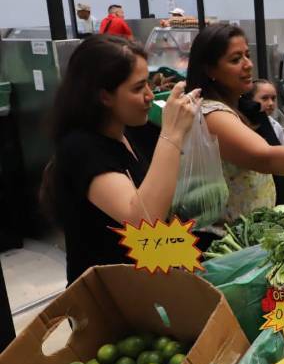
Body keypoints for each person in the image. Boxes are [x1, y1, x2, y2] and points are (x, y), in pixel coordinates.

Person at [40, 35, 198, 283]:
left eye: (149, 84)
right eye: (137, 88)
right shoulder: (81, 149)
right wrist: (173, 133)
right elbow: (143, 221)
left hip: (146, 284)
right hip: (107, 302)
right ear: (104, 96)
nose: (149, 95)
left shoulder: (134, 130)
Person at [187, 23, 284, 225]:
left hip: (248, 233)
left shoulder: (237, 107)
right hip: (227, 241)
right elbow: (267, 158)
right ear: (209, 69)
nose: (248, 64)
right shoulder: (212, 113)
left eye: (247, 55)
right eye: (235, 59)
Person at [245, 79, 284, 205]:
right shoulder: (245, 127)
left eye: (273, 99)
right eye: (264, 98)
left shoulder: (276, 126)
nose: (270, 103)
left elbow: (283, 155)